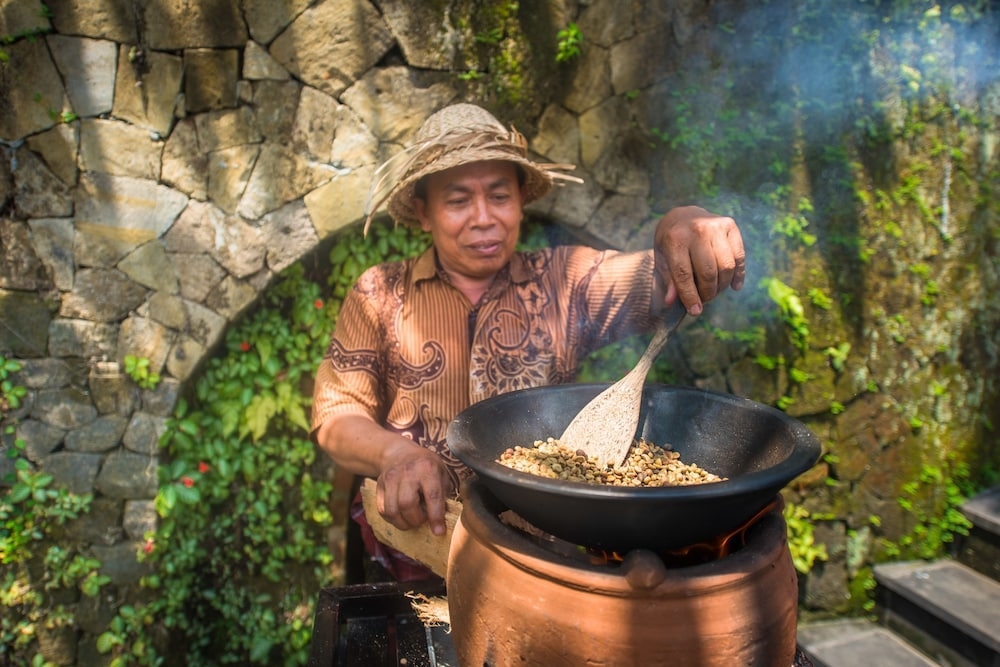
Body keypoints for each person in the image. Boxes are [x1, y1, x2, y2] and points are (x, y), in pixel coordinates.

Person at [311, 103, 745, 580]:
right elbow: (337, 416)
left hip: (543, 563)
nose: (483, 218)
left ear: (521, 198)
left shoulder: (566, 280)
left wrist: (681, 228)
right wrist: (397, 454)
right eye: (457, 201)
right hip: (412, 551)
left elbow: (660, 277)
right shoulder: (379, 293)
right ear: (424, 212)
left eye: (499, 195)